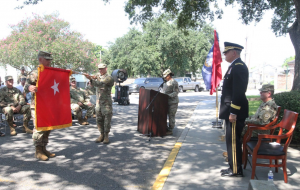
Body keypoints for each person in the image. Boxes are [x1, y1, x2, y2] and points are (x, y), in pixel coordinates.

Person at [219, 42, 249, 177]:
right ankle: (232, 166)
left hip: (234, 112)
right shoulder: (233, 67)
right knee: (230, 141)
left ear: (234, 53)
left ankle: (236, 170)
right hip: (230, 110)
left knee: (234, 142)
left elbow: (238, 92)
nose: (224, 54)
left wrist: (233, 112)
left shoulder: (239, 67)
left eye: (226, 52)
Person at [24, 51, 55, 161]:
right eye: (47, 59)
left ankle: (44, 148)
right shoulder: (35, 73)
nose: (49, 61)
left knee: (48, 127)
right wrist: (29, 88)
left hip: (48, 104)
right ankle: (38, 150)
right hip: (37, 105)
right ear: (40, 59)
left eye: (50, 59)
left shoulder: (50, 72)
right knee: (39, 127)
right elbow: (26, 86)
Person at [84, 64, 114, 144]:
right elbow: (94, 79)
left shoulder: (109, 78)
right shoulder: (98, 75)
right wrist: (91, 77)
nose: (100, 70)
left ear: (106, 68)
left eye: (102, 69)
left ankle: (106, 135)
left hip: (106, 102)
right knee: (99, 119)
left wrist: (91, 79)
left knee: (107, 119)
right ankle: (101, 134)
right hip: (98, 102)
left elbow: (100, 84)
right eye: (99, 69)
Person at [161, 69, 179, 135]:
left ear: (169, 75)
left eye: (166, 76)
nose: (165, 78)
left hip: (173, 102)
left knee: (171, 116)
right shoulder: (165, 83)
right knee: (164, 115)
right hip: (166, 102)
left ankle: (170, 129)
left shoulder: (174, 82)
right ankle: (165, 128)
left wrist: (167, 96)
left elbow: (176, 92)